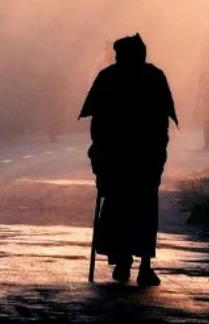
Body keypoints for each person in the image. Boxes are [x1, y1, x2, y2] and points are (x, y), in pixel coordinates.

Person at [79, 33, 178, 286]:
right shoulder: (153, 77)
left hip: (119, 160)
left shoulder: (108, 78)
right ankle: (142, 265)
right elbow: (161, 123)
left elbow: (97, 125)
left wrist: (99, 154)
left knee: (119, 208)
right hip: (143, 159)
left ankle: (124, 263)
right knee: (142, 210)